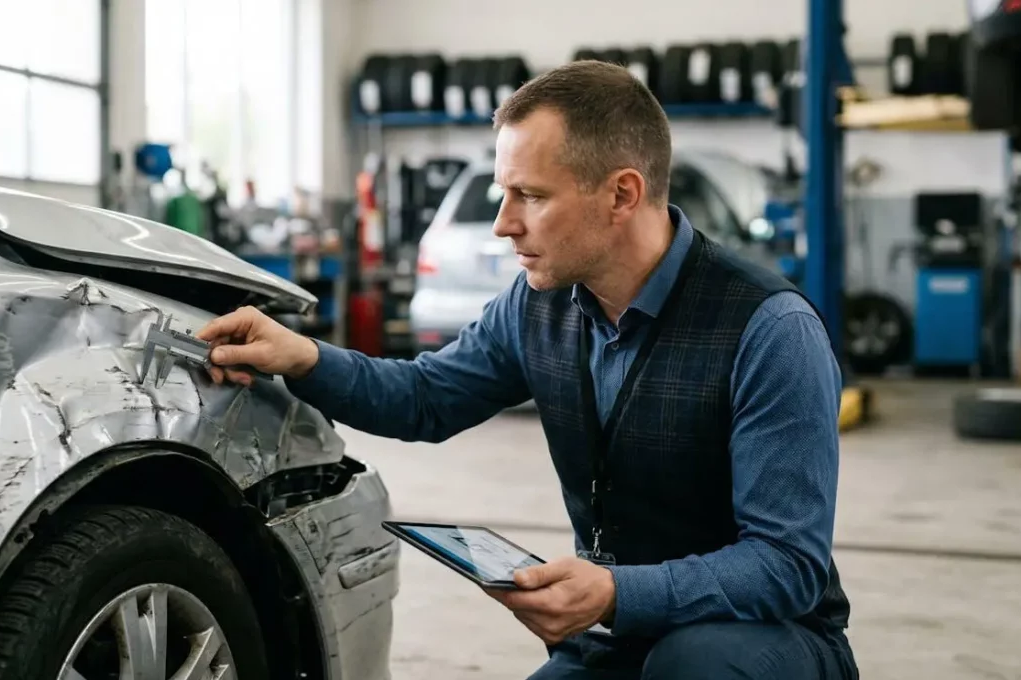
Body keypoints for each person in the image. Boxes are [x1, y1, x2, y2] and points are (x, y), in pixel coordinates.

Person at [197, 60, 859, 680]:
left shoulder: (768, 329)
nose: (502, 225)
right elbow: (424, 398)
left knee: (696, 662)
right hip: (620, 632)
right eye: (501, 194)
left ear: (622, 194)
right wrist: (304, 357)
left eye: (529, 196)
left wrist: (615, 591)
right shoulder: (538, 305)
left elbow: (785, 566)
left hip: (767, 642)